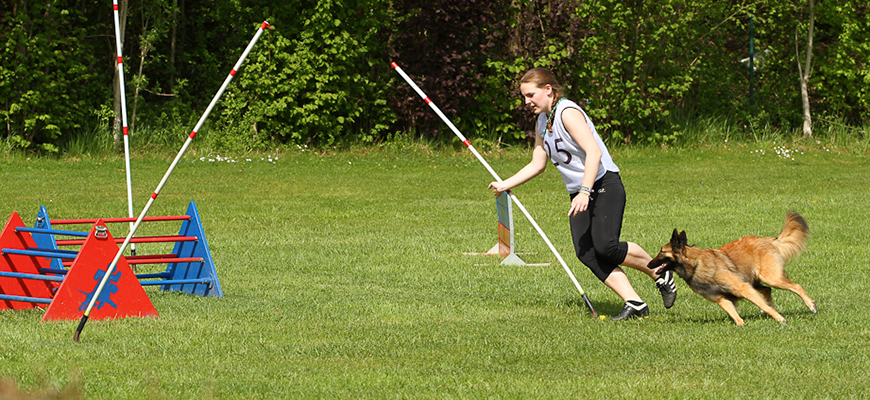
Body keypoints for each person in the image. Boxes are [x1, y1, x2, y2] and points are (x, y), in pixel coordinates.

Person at [488, 68, 676, 320]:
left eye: (530, 95)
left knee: (606, 246)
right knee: (586, 252)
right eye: (524, 96)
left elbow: (594, 153)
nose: (526, 102)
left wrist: (585, 192)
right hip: (580, 192)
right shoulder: (543, 120)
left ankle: (660, 272)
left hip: (602, 184)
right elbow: (538, 163)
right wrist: (504, 184)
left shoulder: (568, 112)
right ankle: (635, 304)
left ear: (548, 90)